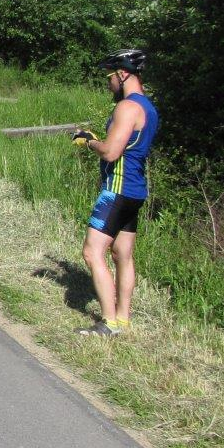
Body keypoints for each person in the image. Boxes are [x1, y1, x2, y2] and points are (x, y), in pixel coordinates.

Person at [71, 49, 159, 338]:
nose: (108, 83)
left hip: (117, 189)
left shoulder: (127, 107)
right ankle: (122, 319)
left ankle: (108, 322)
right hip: (136, 189)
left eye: (109, 76)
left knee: (91, 252)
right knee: (123, 254)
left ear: (122, 74)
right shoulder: (148, 108)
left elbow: (110, 152)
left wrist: (89, 142)